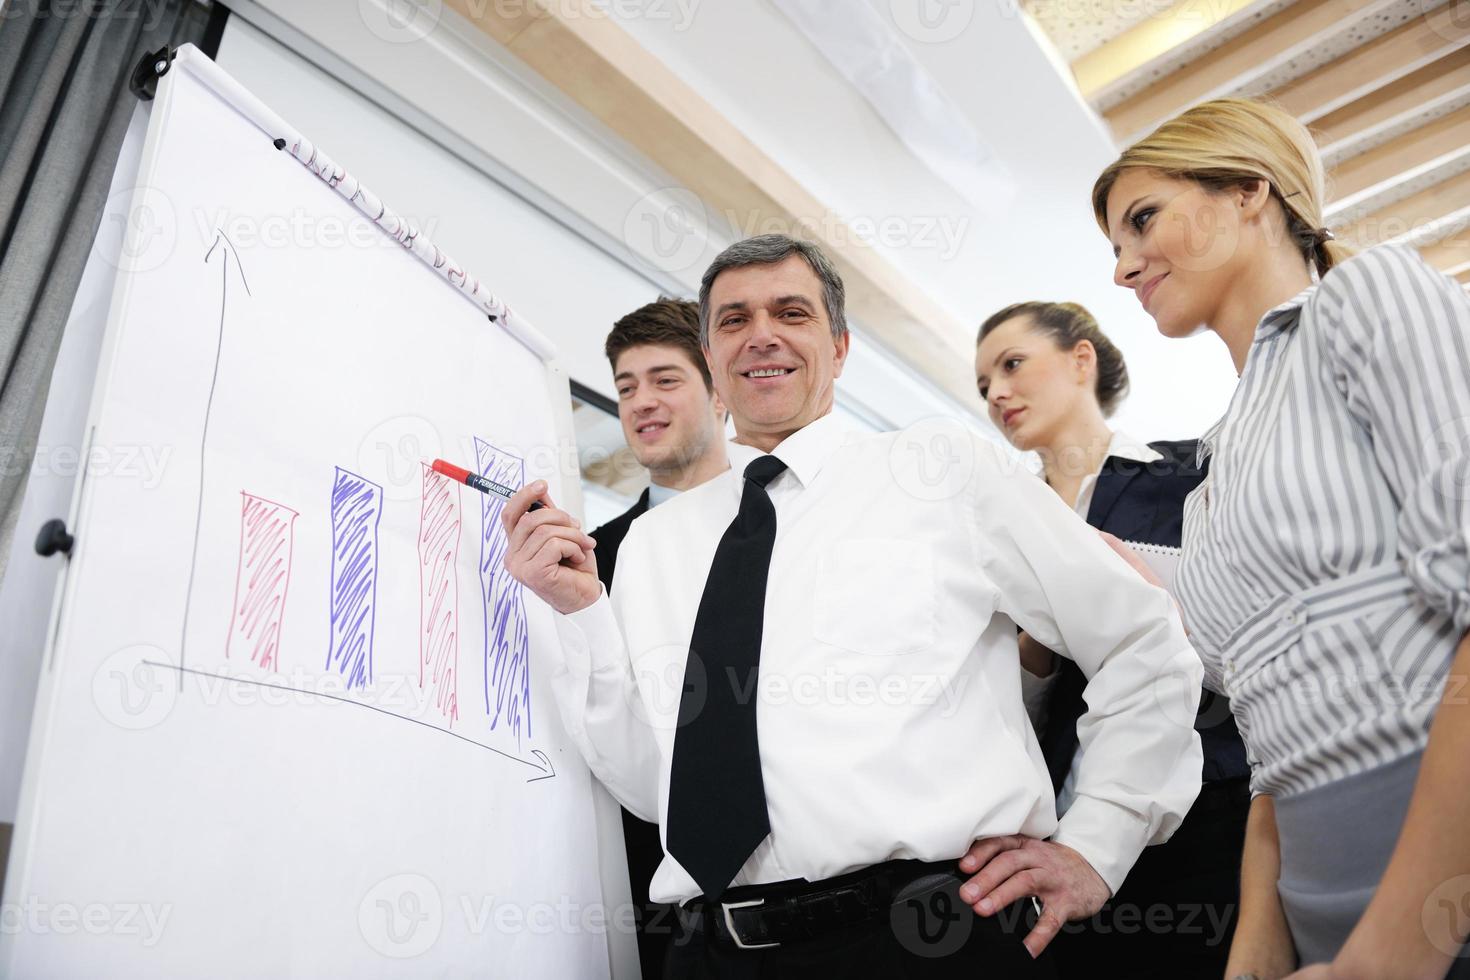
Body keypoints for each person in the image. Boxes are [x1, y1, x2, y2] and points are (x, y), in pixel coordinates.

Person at [501, 234, 1204, 978]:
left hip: (923, 941)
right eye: (734, 320)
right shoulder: (651, 546)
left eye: (791, 312)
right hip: (714, 954)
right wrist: (581, 614)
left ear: (838, 348)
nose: (762, 333)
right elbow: (653, 787)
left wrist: (1098, 844)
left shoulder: (941, 468)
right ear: (712, 359)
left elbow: (1139, 638)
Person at [1094, 97, 1470, 978]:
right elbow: (1273, 742)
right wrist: (1258, 950)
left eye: (1141, 221)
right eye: (1115, 244)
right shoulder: (1213, 478)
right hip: (1313, 899)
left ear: (1249, 190)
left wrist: (1393, 955)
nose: (1122, 268)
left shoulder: (1366, 297)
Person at [975, 299, 1250, 977]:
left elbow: (1248, 622)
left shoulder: (1194, 476)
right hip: (1064, 822)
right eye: (983, 387)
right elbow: (1014, 714)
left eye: (1011, 365)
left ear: (1080, 359)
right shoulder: (995, 529)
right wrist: (1031, 654)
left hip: (1206, 803)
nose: (997, 393)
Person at [591, 297, 729, 979]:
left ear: (720, 387)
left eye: (665, 379)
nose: (641, 401)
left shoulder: (792, 526)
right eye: (626, 387)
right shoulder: (588, 561)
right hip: (658, 902)